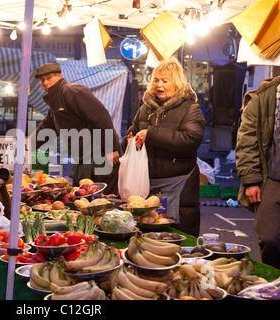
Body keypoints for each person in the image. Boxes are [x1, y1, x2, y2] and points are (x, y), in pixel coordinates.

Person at [121, 56, 205, 237]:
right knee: (147, 236)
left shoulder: (190, 109)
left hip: (179, 185)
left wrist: (150, 134)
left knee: (177, 236)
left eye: (165, 81)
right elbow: (131, 134)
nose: (159, 85)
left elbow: (190, 141)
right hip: (146, 185)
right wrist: (129, 140)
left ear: (176, 83)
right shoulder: (145, 109)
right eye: (157, 80)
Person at [34, 62, 120, 195]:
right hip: (84, 160)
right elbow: (45, 129)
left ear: (59, 76)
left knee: (103, 202)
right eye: (42, 80)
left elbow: (101, 117)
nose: (45, 82)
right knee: (80, 201)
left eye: (49, 77)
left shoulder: (72, 91)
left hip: (101, 158)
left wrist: (112, 148)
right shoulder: (54, 104)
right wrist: (25, 147)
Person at [235, 74, 280, 271]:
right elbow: (247, 140)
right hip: (274, 176)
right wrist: (251, 180)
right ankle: (277, 277)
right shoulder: (264, 96)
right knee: (270, 237)